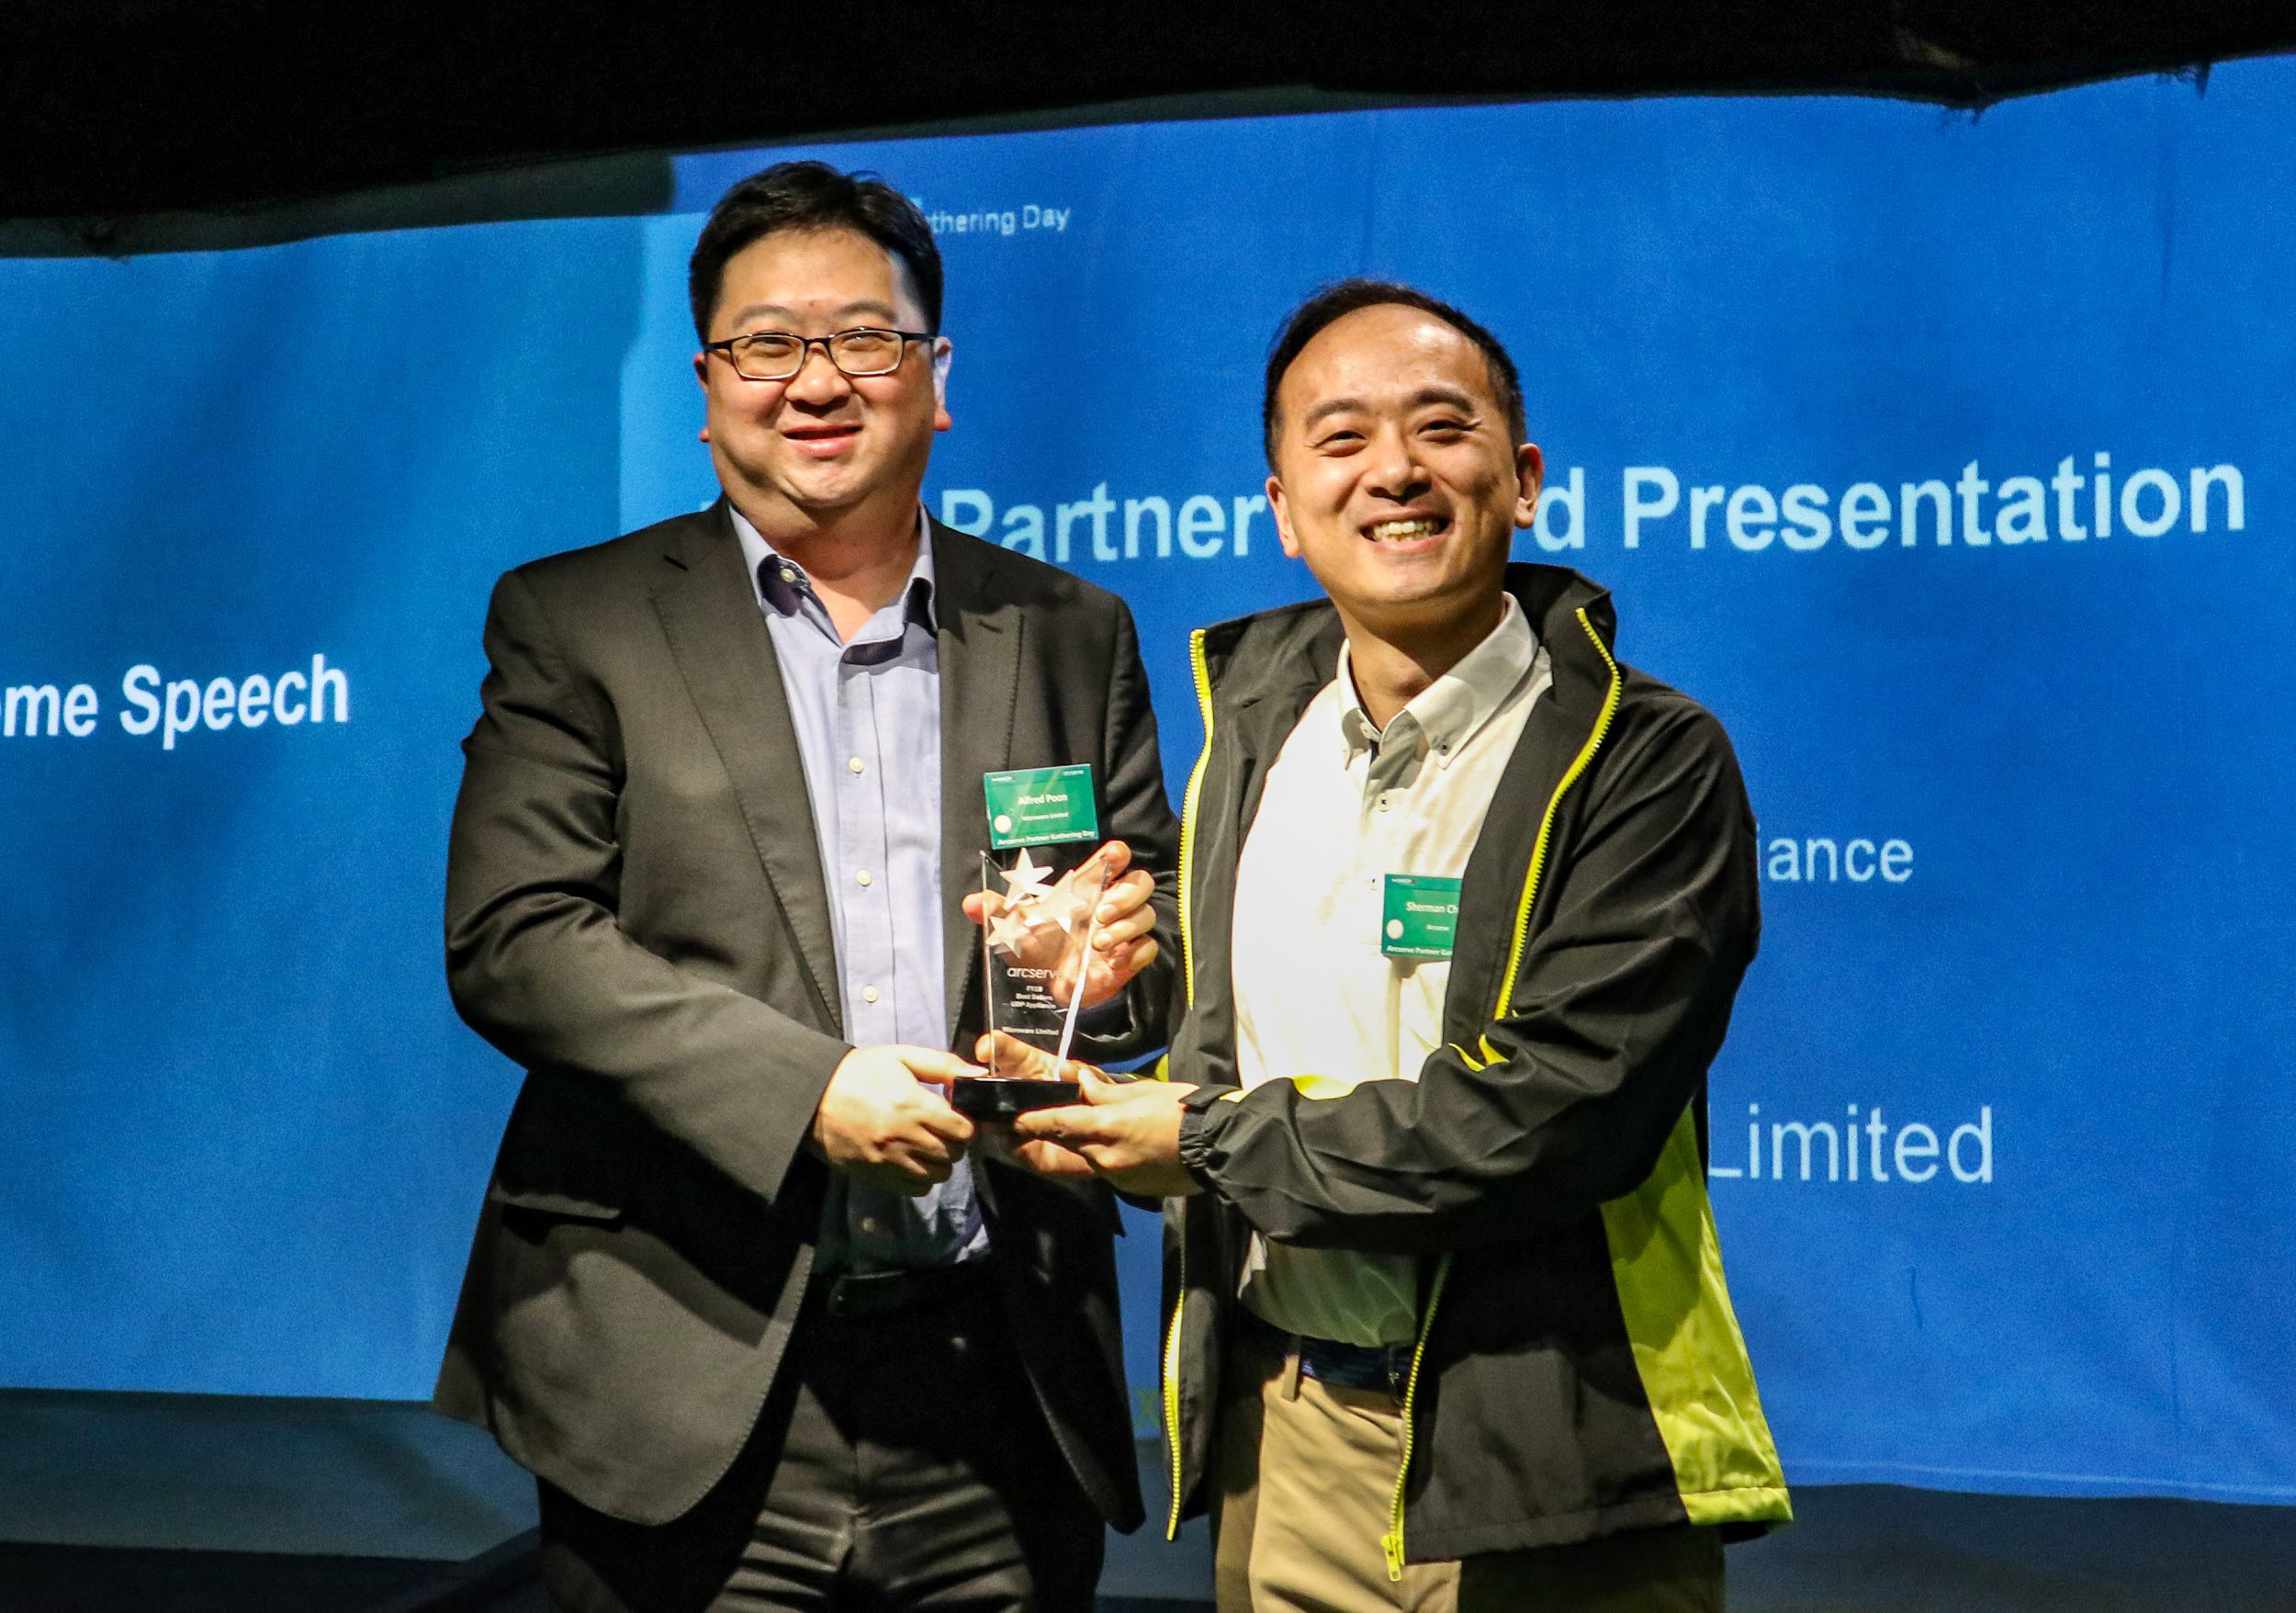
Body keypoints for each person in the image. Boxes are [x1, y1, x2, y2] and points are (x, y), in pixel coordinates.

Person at [433, 161, 1179, 1613]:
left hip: (997, 1377)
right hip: (677, 1372)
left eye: (864, 338)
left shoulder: (1068, 627)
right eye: (768, 343)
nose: (818, 379)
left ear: (936, 378)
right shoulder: (578, 620)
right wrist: (808, 1091)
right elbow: (515, 937)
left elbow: (1146, 938)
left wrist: (1110, 981)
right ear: (709, 388)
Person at [1007, 281, 1791, 1612]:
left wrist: (1200, 1141)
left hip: (1539, 1460)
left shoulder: (1645, 758)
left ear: (1523, 478)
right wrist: (1099, 1037)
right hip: (1286, 1444)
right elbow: (1239, 1053)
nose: (1395, 472)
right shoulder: (1251, 739)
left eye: (1440, 426)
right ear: (1282, 507)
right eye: (1342, 437)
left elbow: (1550, 1117)